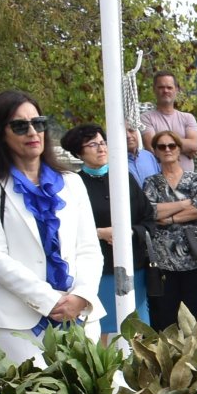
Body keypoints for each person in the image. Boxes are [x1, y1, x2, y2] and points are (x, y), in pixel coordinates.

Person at [0, 91, 103, 363]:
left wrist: (81, 296)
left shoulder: (72, 181)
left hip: (78, 317)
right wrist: (49, 300)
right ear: (0, 133)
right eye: (20, 126)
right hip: (16, 325)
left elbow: (88, 248)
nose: (32, 132)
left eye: (38, 123)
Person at [61, 123, 150, 339]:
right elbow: (65, 227)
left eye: (103, 143)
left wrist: (129, 233)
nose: (101, 148)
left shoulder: (124, 178)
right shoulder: (74, 184)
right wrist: (99, 233)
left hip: (132, 266)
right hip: (98, 271)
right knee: (98, 330)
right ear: (79, 152)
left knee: (136, 332)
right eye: (93, 145)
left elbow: (148, 219)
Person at [141, 128, 197, 329]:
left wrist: (169, 217)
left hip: (195, 257)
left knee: (191, 317)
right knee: (165, 317)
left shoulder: (193, 179)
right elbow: (151, 212)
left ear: (179, 149)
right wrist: (183, 204)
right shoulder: (151, 182)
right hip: (164, 261)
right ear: (155, 151)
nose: (167, 150)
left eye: (171, 145)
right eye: (161, 146)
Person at [140, 71, 197, 175]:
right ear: (154, 89)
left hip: (188, 179)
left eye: (169, 87)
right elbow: (152, 147)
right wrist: (184, 148)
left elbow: (194, 145)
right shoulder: (146, 118)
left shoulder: (188, 118)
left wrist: (163, 145)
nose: (165, 90)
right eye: (161, 87)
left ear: (176, 89)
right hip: (160, 179)